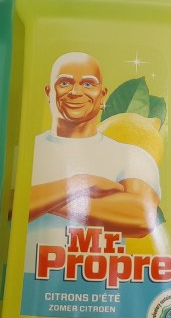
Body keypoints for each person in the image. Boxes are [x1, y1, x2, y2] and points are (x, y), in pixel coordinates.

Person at [27, 52, 160, 258]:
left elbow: (142, 216)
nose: (75, 92)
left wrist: (36, 199)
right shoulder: (29, 151)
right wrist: (83, 183)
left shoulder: (130, 155)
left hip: (103, 277)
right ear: (49, 91)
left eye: (88, 84)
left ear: (102, 94)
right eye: (64, 83)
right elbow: (4, 205)